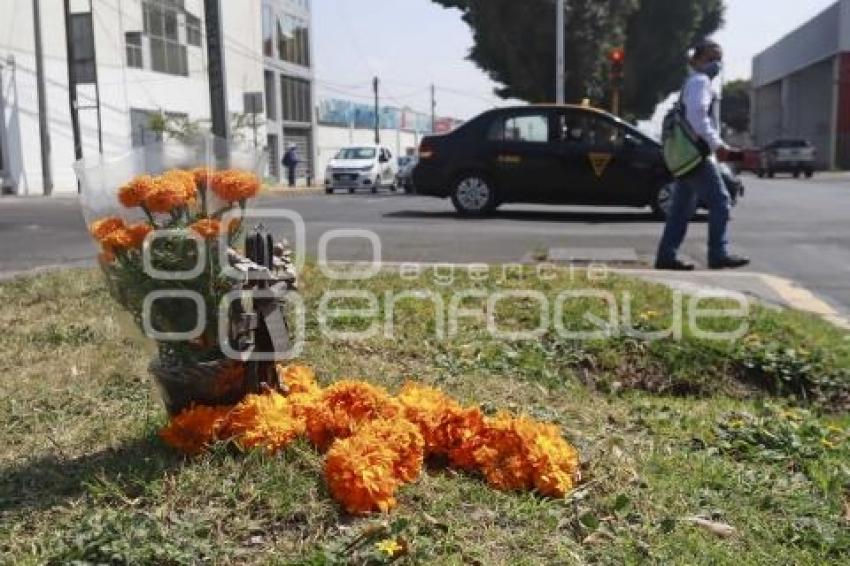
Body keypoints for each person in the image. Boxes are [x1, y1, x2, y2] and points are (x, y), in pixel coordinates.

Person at [656, 39, 750, 271]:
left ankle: (666, 256)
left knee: (680, 209)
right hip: (696, 156)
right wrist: (718, 146)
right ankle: (718, 253)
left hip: (686, 156)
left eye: (718, 59)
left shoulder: (693, 82)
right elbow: (698, 118)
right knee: (720, 202)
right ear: (696, 60)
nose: (715, 64)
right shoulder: (700, 82)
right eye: (710, 59)